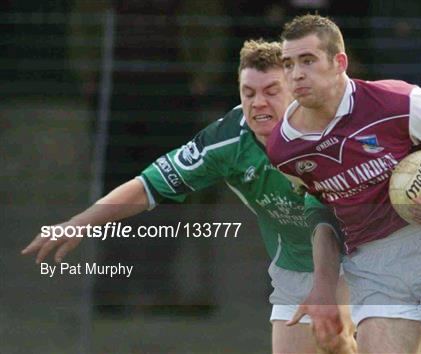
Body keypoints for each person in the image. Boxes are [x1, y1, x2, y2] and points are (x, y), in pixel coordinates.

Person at [21, 39, 356, 354]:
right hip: (297, 265)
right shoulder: (225, 142)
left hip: (362, 256)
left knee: (347, 339)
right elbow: (147, 186)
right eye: (248, 93)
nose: (258, 103)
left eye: (271, 91)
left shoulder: (336, 129)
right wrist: (80, 223)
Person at [267, 14, 421, 354]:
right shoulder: (283, 149)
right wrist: (324, 284)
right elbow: (322, 209)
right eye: (288, 64)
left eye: (308, 60)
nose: (296, 73)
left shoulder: (396, 101)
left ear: (339, 62)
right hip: (374, 264)